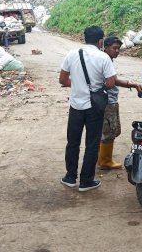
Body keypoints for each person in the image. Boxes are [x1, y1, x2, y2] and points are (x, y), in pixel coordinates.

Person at [59, 26, 116, 192]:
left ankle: (70, 177)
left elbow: (62, 80)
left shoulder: (71, 54)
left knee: (73, 142)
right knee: (92, 144)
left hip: (76, 106)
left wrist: (78, 84)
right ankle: (86, 181)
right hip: (94, 107)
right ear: (100, 41)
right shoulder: (103, 57)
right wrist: (97, 88)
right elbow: (111, 82)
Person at [99, 36, 142, 170]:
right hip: (108, 101)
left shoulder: (104, 59)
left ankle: (100, 158)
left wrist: (131, 84)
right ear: (105, 47)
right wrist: (132, 84)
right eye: (114, 48)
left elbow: (114, 79)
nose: (117, 51)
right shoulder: (106, 60)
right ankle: (105, 161)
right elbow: (112, 81)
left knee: (102, 130)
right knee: (110, 130)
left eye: (118, 48)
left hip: (102, 100)